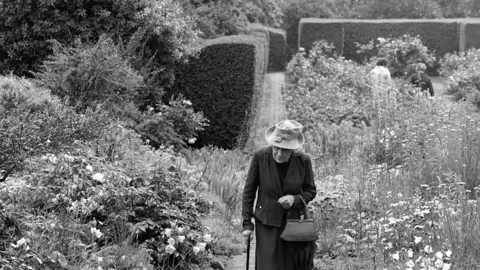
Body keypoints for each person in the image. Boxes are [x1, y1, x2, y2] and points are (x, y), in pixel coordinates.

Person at [241, 119, 317, 270]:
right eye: (277, 147)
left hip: (293, 224)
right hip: (267, 222)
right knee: (268, 265)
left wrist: (294, 199)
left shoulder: (303, 160)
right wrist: (247, 225)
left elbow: (311, 191)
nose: (280, 153)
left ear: (294, 149)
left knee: (292, 265)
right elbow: (249, 192)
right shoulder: (260, 157)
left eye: (285, 149)